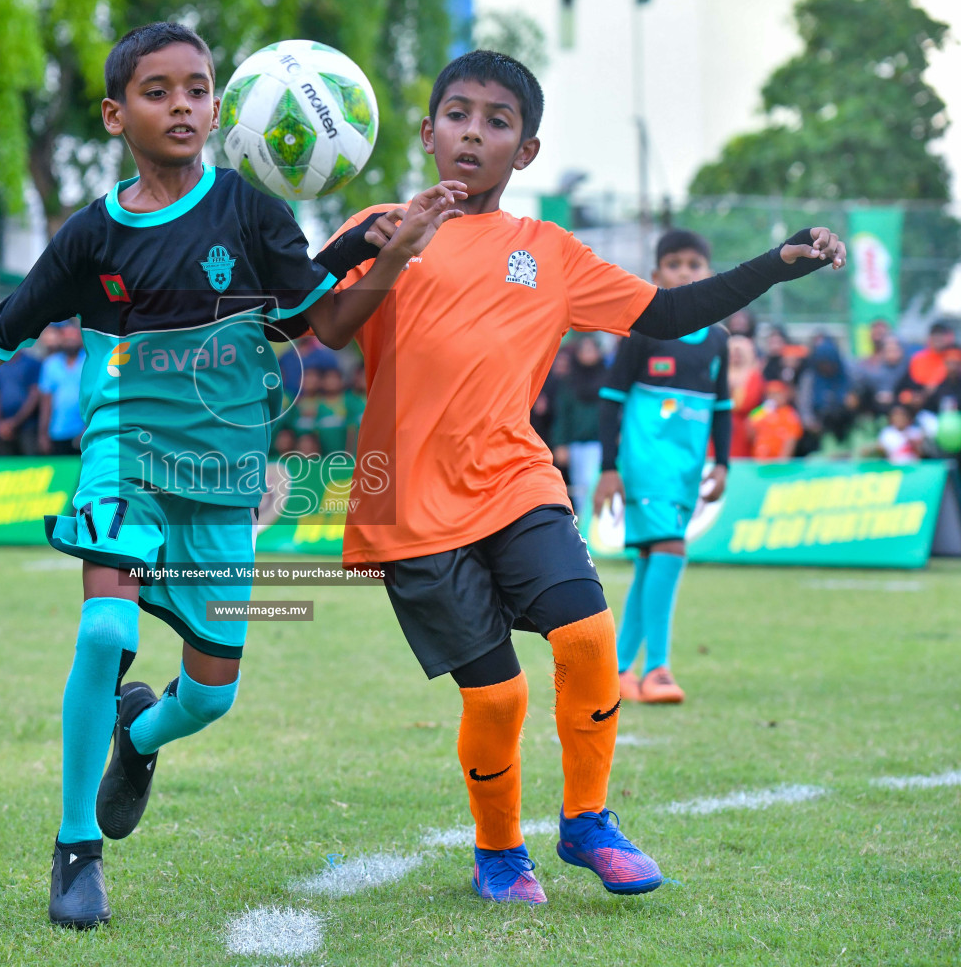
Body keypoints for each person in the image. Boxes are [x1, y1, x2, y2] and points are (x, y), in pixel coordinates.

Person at [0, 22, 460, 929]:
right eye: (159, 91)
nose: (183, 105)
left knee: (213, 695)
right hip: (125, 452)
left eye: (198, 89)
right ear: (117, 114)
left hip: (225, 474)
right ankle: (78, 849)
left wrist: (392, 249)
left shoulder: (253, 214)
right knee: (103, 627)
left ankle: (139, 734)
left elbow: (328, 327)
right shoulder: (91, 236)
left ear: (220, 108)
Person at [329, 50, 844, 906]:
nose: (474, 133)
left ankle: (589, 822)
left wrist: (775, 263)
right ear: (427, 133)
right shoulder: (385, 223)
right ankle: (499, 854)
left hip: (516, 479)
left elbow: (670, 314)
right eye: (458, 114)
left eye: (499, 122)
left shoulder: (550, 252)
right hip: (407, 503)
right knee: (496, 698)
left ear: (524, 152)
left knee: (591, 637)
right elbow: (314, 321)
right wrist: (362, 245)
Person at [593, 229, 730, 707]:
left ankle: (616, 670)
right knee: (671, 549)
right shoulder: (643, 329)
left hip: (688, 469)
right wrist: (609, 468)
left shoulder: (718, 340)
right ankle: (658, 669)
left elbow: (724, 407)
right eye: (674, 264)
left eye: (695, 264)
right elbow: (609, 401)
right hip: (644, 463)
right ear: (655, 275)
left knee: (654, 560)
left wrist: (725, 463)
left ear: (710, 274)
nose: (685, 271)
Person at [553, 335, 606, 514]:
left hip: (601, 443)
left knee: (596, 488)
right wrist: (560, 443)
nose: (588, 355)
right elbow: (562, 414)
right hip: (577, 444)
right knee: (580, 490)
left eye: (592, 350)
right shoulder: (570, 381)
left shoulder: (606, 379)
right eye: (584, 350)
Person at [37, 320, 86, 454]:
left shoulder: (89, 362)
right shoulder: (50, 364)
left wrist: (88, 429)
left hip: (83, 432)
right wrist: (43, 433)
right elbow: (46, 402)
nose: (70, 339)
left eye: (73, 335)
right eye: (66, 335)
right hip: (58, 431)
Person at [726, 335, 764, 458]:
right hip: (720, 424)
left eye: (740, 353)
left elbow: (749, 402)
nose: (736, 357)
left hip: (744, 428)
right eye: (733, 353)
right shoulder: (720, 372)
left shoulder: (754, 375)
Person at [748, 380, 803, 459]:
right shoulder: (761, 411)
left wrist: (782, 460)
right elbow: (749, 433)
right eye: (770, 394)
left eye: (777, 394)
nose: (773, 397)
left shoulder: (789, 414)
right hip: (759, 460)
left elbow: (791, 439)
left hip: (777, 462)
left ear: (784, 395)